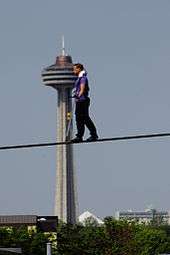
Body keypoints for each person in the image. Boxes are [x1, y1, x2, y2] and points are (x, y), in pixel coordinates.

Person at [71, 63, 98, 142]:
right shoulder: (79, 78)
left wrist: (78, 95)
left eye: (75, 69)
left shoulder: (83, 78)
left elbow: (82, 89)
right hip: (80, 101)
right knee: (79, 119)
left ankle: (93, 135)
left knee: (85, 118)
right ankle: (79, 136)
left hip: (83, 101)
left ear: (79, 69)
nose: (74, 71)